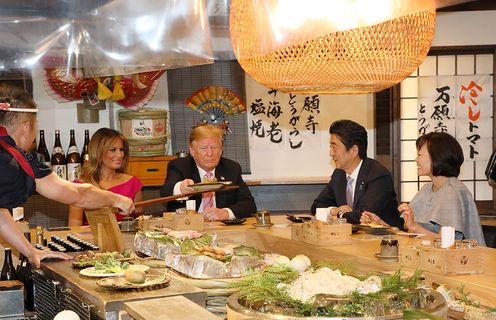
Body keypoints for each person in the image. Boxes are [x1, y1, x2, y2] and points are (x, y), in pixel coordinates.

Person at [0, 85, 134, 267]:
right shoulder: (18, 161)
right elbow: (77, 195)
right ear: (26, 127)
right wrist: (116, 199)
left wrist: (30, 251)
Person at [363, 132, 485, 245]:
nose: (416, 159)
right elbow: (411, 233)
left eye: (420, 154)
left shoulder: (452, 192)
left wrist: (414, 226)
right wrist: (381, 225)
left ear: (437, 157)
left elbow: (448, 243)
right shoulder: (427, 188)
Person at [311, 119, 403, 228]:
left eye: (334, 147)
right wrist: (333, 210)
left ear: (353, 150)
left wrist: (339, 213)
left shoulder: (378, 175)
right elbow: (316, 206)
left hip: (383, 240)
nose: (331, 153)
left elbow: (363, 215)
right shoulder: (339, 174)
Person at [160, 124, 256, 221]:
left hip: (222, 228)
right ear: (192, 150)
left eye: (214, 147)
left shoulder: (231, 168)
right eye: (203, 148)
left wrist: (225, 213)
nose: (210, 153)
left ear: (221, 150)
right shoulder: (180, 166)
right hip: (189, 227)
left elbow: (249, 205)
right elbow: (165, 191)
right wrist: (180, 188)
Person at [68, 128, 143, 226]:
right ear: (98, 152)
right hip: (91, 240)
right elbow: (74, 229)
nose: (120, 155)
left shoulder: (133, 183)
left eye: (121, 150)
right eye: (113, 150)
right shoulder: (80, 187)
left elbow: (140, 224)